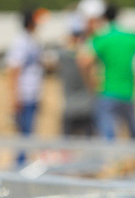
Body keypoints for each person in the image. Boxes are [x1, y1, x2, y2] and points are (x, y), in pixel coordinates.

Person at [82, 3, 135, 140]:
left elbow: (84, 61)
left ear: (103, 18)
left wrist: (90, 83)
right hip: (129, 92)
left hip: (107, 91)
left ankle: (111, 161)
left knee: (108, 136)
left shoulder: (101, 38)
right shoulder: (130, 36)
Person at [6, 8, 47, 166]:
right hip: (24, 94)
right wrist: (15, 96)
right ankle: (19, 167)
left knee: (29, 135)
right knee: (24, 136)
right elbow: (14, 70)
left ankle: (22, 164)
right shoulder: (21, 42)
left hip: (32, 94)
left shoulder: (32, 41)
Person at [57, 14, 96, 137]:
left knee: (67, 149)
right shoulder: (89, 55)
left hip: (69, 108)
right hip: (88, 107)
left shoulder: (62, 55)